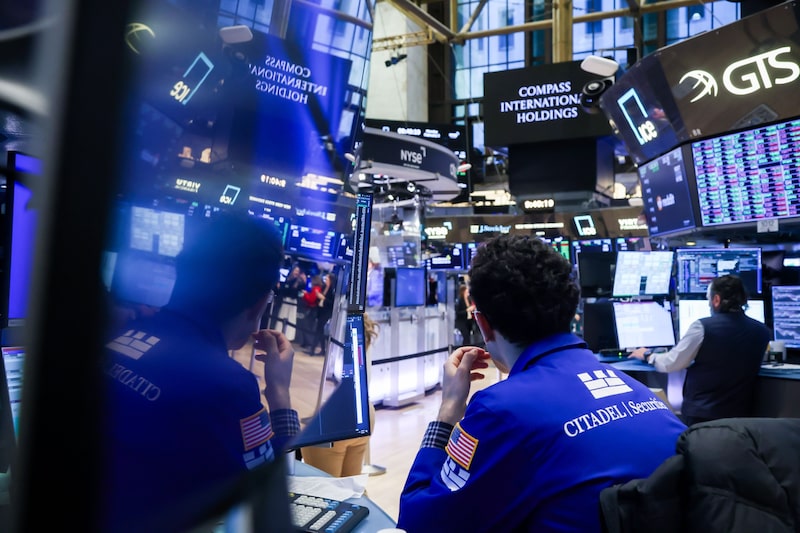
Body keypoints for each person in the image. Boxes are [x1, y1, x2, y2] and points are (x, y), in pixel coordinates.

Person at [397, 235, 687, 532]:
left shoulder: (502, 410)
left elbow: (418, 523)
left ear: (483, 323)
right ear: (569, 309)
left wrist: (447, 412)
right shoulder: (637, 389)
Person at [102, 211, 300, 533]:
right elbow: (272, 500)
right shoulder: (226, 386)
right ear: (260, 302)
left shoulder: (118, 337)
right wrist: (280, 394)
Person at [628, 274, 771, 426]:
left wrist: (648, 355)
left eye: (708, 298)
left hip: (702, 415)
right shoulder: (762, 331)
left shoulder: (702, 327)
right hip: (742, 415)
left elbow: (671, 363)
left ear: (716, 300)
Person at [301, 312, 380, 477]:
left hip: (333, 418)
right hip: (364, 410)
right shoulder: (360, 348)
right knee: (352, 486)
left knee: (327, 492)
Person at [311, 272, 337, 355]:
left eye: (327, 279)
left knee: (319, 329)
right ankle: (322, 350)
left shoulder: (333, 290)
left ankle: (312, 349)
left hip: (327, 312)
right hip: (320, 311)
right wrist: (319, 297)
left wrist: (324, 299)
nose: (325, 280)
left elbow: (332, 303)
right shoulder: (323, 287)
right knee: (320, 330)